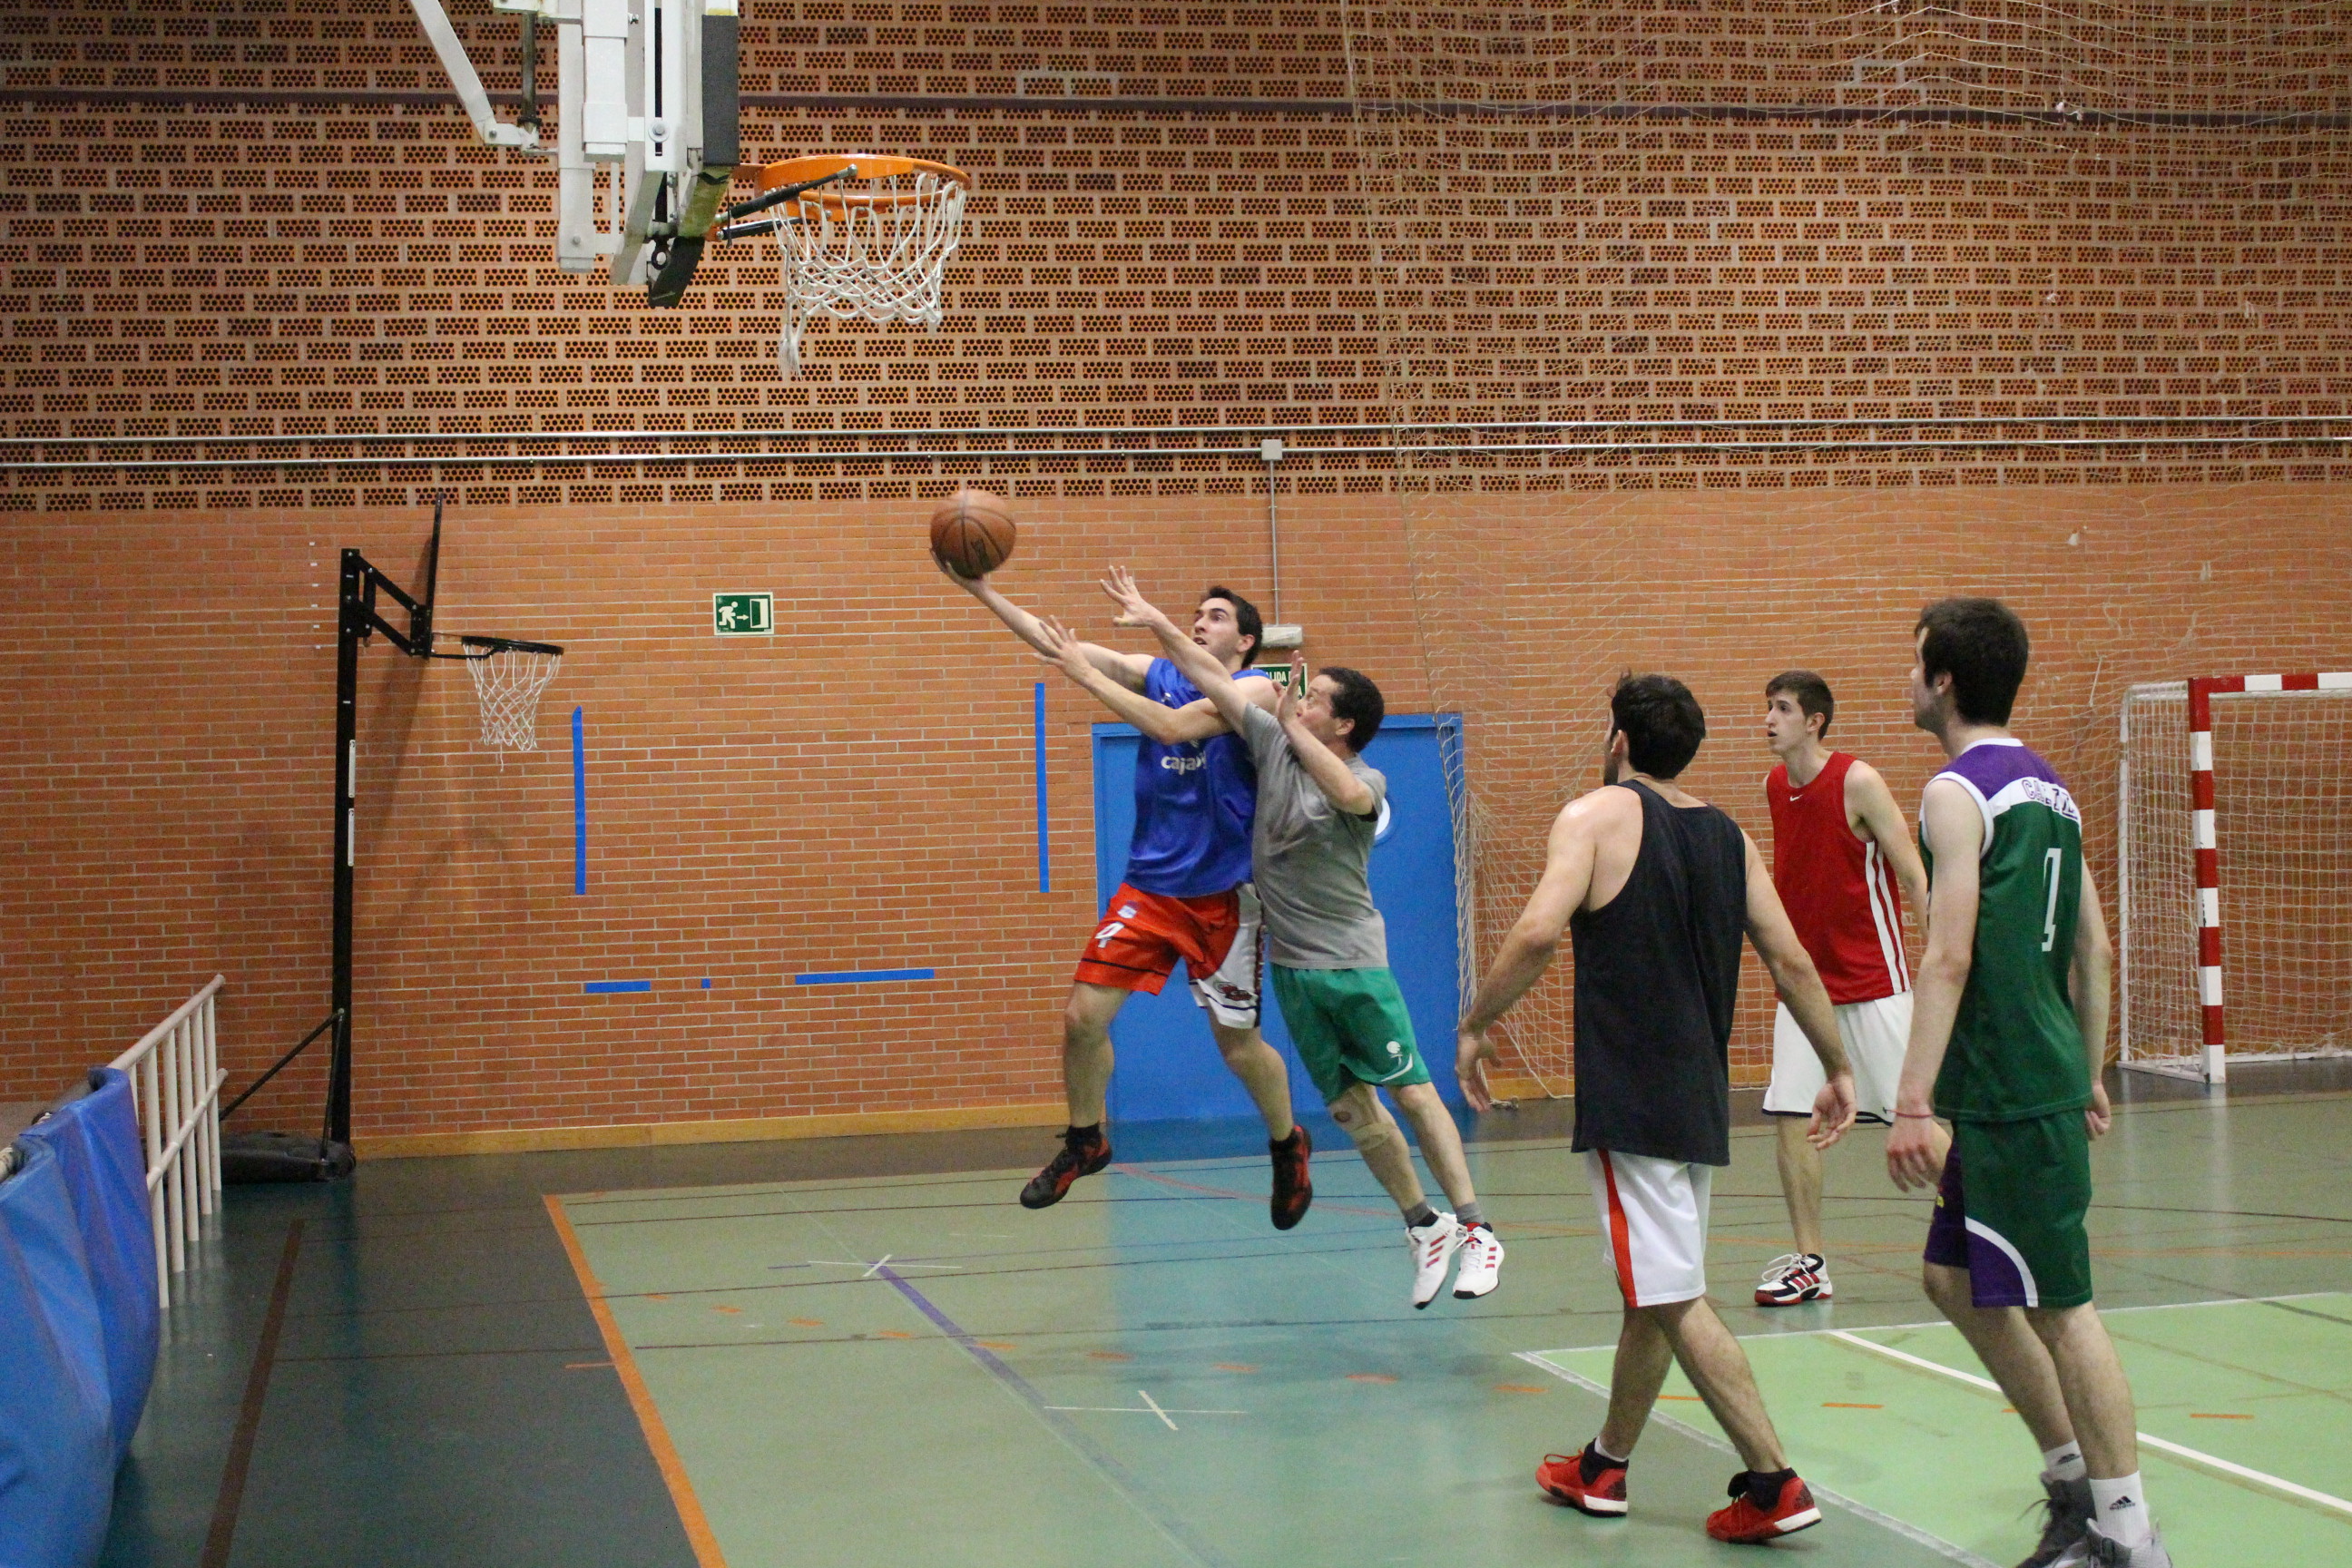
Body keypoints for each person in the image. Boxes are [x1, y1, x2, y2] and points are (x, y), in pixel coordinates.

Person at [1457, 674, 1857, 1545]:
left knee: (1672, 1293)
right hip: (1696, 1098)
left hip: (1632, 1098)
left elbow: (1533, 933)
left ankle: (1774, 1481)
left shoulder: (1594, 815)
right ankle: (1604, 1465)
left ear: (1619, 741)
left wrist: (1477, 1024)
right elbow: (1791, 960)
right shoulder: (1730, 837)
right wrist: (1838, 1064)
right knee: (1657, 1287)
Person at [1093, 567, 1504, 1306]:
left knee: (1410, 1094)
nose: (1297, 699)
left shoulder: (1367, 781)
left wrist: (1287, 724)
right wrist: (1156, 619)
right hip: (1291, 969)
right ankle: (1422, 1224)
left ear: (1340, 725)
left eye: (1313, 700)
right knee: (1349, 1110)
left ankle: (1476, 1228)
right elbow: (1203, 681)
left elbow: (1345, 793)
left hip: (1353, 967)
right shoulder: (1268, 738)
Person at [1887, 599, 2167, 1568]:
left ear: (1946, 679)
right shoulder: (2051, 789)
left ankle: (2128, 1537)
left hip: (2006, 1088)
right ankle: (2072, 1484)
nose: (1909, 675)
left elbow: (1948, 954)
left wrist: (1913, 1101)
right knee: (1953, 1279)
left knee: (2061, 1306)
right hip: (2033, 1076)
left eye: (1916, 661)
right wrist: (2090, 1070)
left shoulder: (1955, 794)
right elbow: (2092, 943)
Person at [941, 559, 1311, 1225]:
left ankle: (1287, 1144)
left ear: (1248, 641)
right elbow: (1058, 645)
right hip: (1150, 889)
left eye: (1217, 617)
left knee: (1238, 1047)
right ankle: (1087, 1139)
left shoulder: (1257, 689)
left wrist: (1114, 656)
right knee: (1082, 1020)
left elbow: (1172, 729)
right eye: (1197, 615)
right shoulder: (1158, 672)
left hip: (1224, 897)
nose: (1203, 622)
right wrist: (981, 589)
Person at [1752, 670, 1935, 1307]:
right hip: (1807, 990)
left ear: (1814, 722)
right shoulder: (1778, 785)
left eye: (1781, 709)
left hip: (1875, 983)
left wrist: (1941, 959)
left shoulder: (1858, 780)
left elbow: (1912, 875)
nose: (1768, 719)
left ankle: (1987, 1229)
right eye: (1768, 708)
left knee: (1921, 1119)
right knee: (1790, 1114)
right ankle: (1811, 1262)